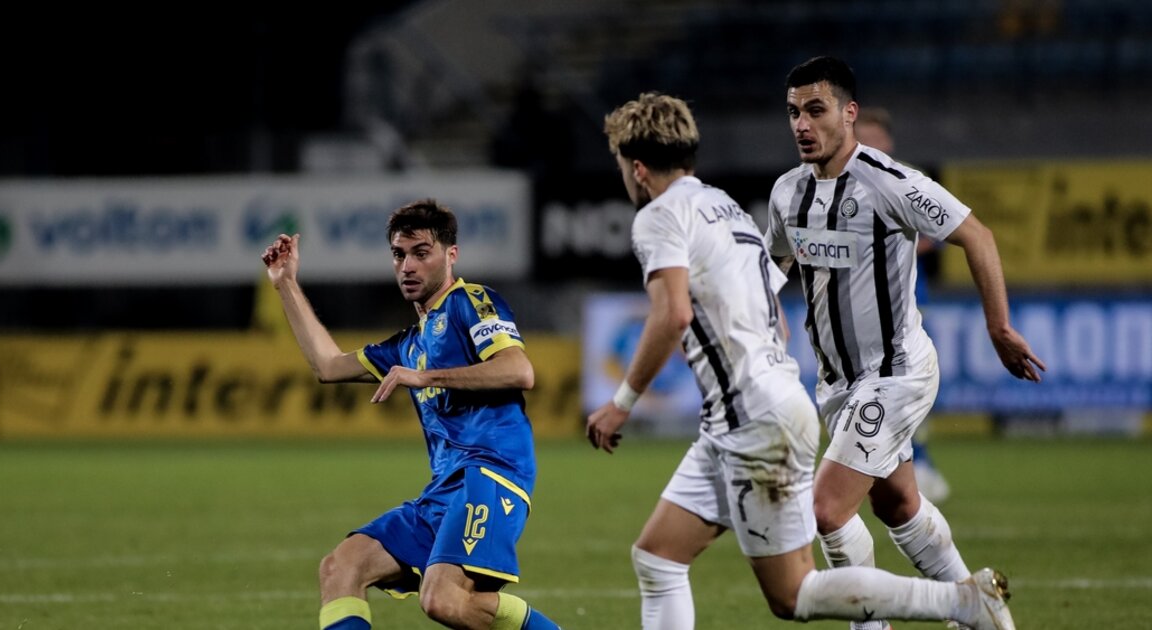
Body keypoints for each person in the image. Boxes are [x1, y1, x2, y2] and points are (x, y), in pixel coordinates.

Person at [586, 92, 1017, 630]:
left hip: (754, 418)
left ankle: (961, 603)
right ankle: (945, 604)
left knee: (793, 593)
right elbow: (774, 311)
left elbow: (671, 314)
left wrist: (622, 402)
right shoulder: (723, 207)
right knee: (658, 557)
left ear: (637, 168)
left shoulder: (658, 216)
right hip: (748, 412)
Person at [766, 57, 1045, 630]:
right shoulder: (787, 193)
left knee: (826, 509)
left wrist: (998, 327)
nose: (802, 124)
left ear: (849, 113)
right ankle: (981, 613)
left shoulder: (889, 181)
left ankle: (873, 625)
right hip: (837, 385)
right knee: (897, 505)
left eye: (816, 110)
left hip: (895, 374)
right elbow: (771, 269)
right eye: (794, 112)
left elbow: (977, 236)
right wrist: (762, 321)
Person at [262, 200, 559, 630]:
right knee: (341, 567)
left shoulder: (471, 302)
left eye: (421, 253)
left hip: (492, 472)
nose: (408, 266)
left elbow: (518, 370)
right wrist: (286, 284)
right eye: (399, 255)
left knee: (440, 599)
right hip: (444, 489)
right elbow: (328, 366)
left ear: (451, 255)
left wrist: (424, 377)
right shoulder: (409, 344)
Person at [854, 106, 951, 505]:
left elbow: (941, 232)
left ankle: (919, 463)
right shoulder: (843, 181)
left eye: (877, 138)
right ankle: (881, 465)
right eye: (865, 138)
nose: (872, 145)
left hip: (909, 303)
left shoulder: (908, 178)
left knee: (909, 385)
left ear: (888, 141)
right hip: (860, 308)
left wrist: (895, 242)